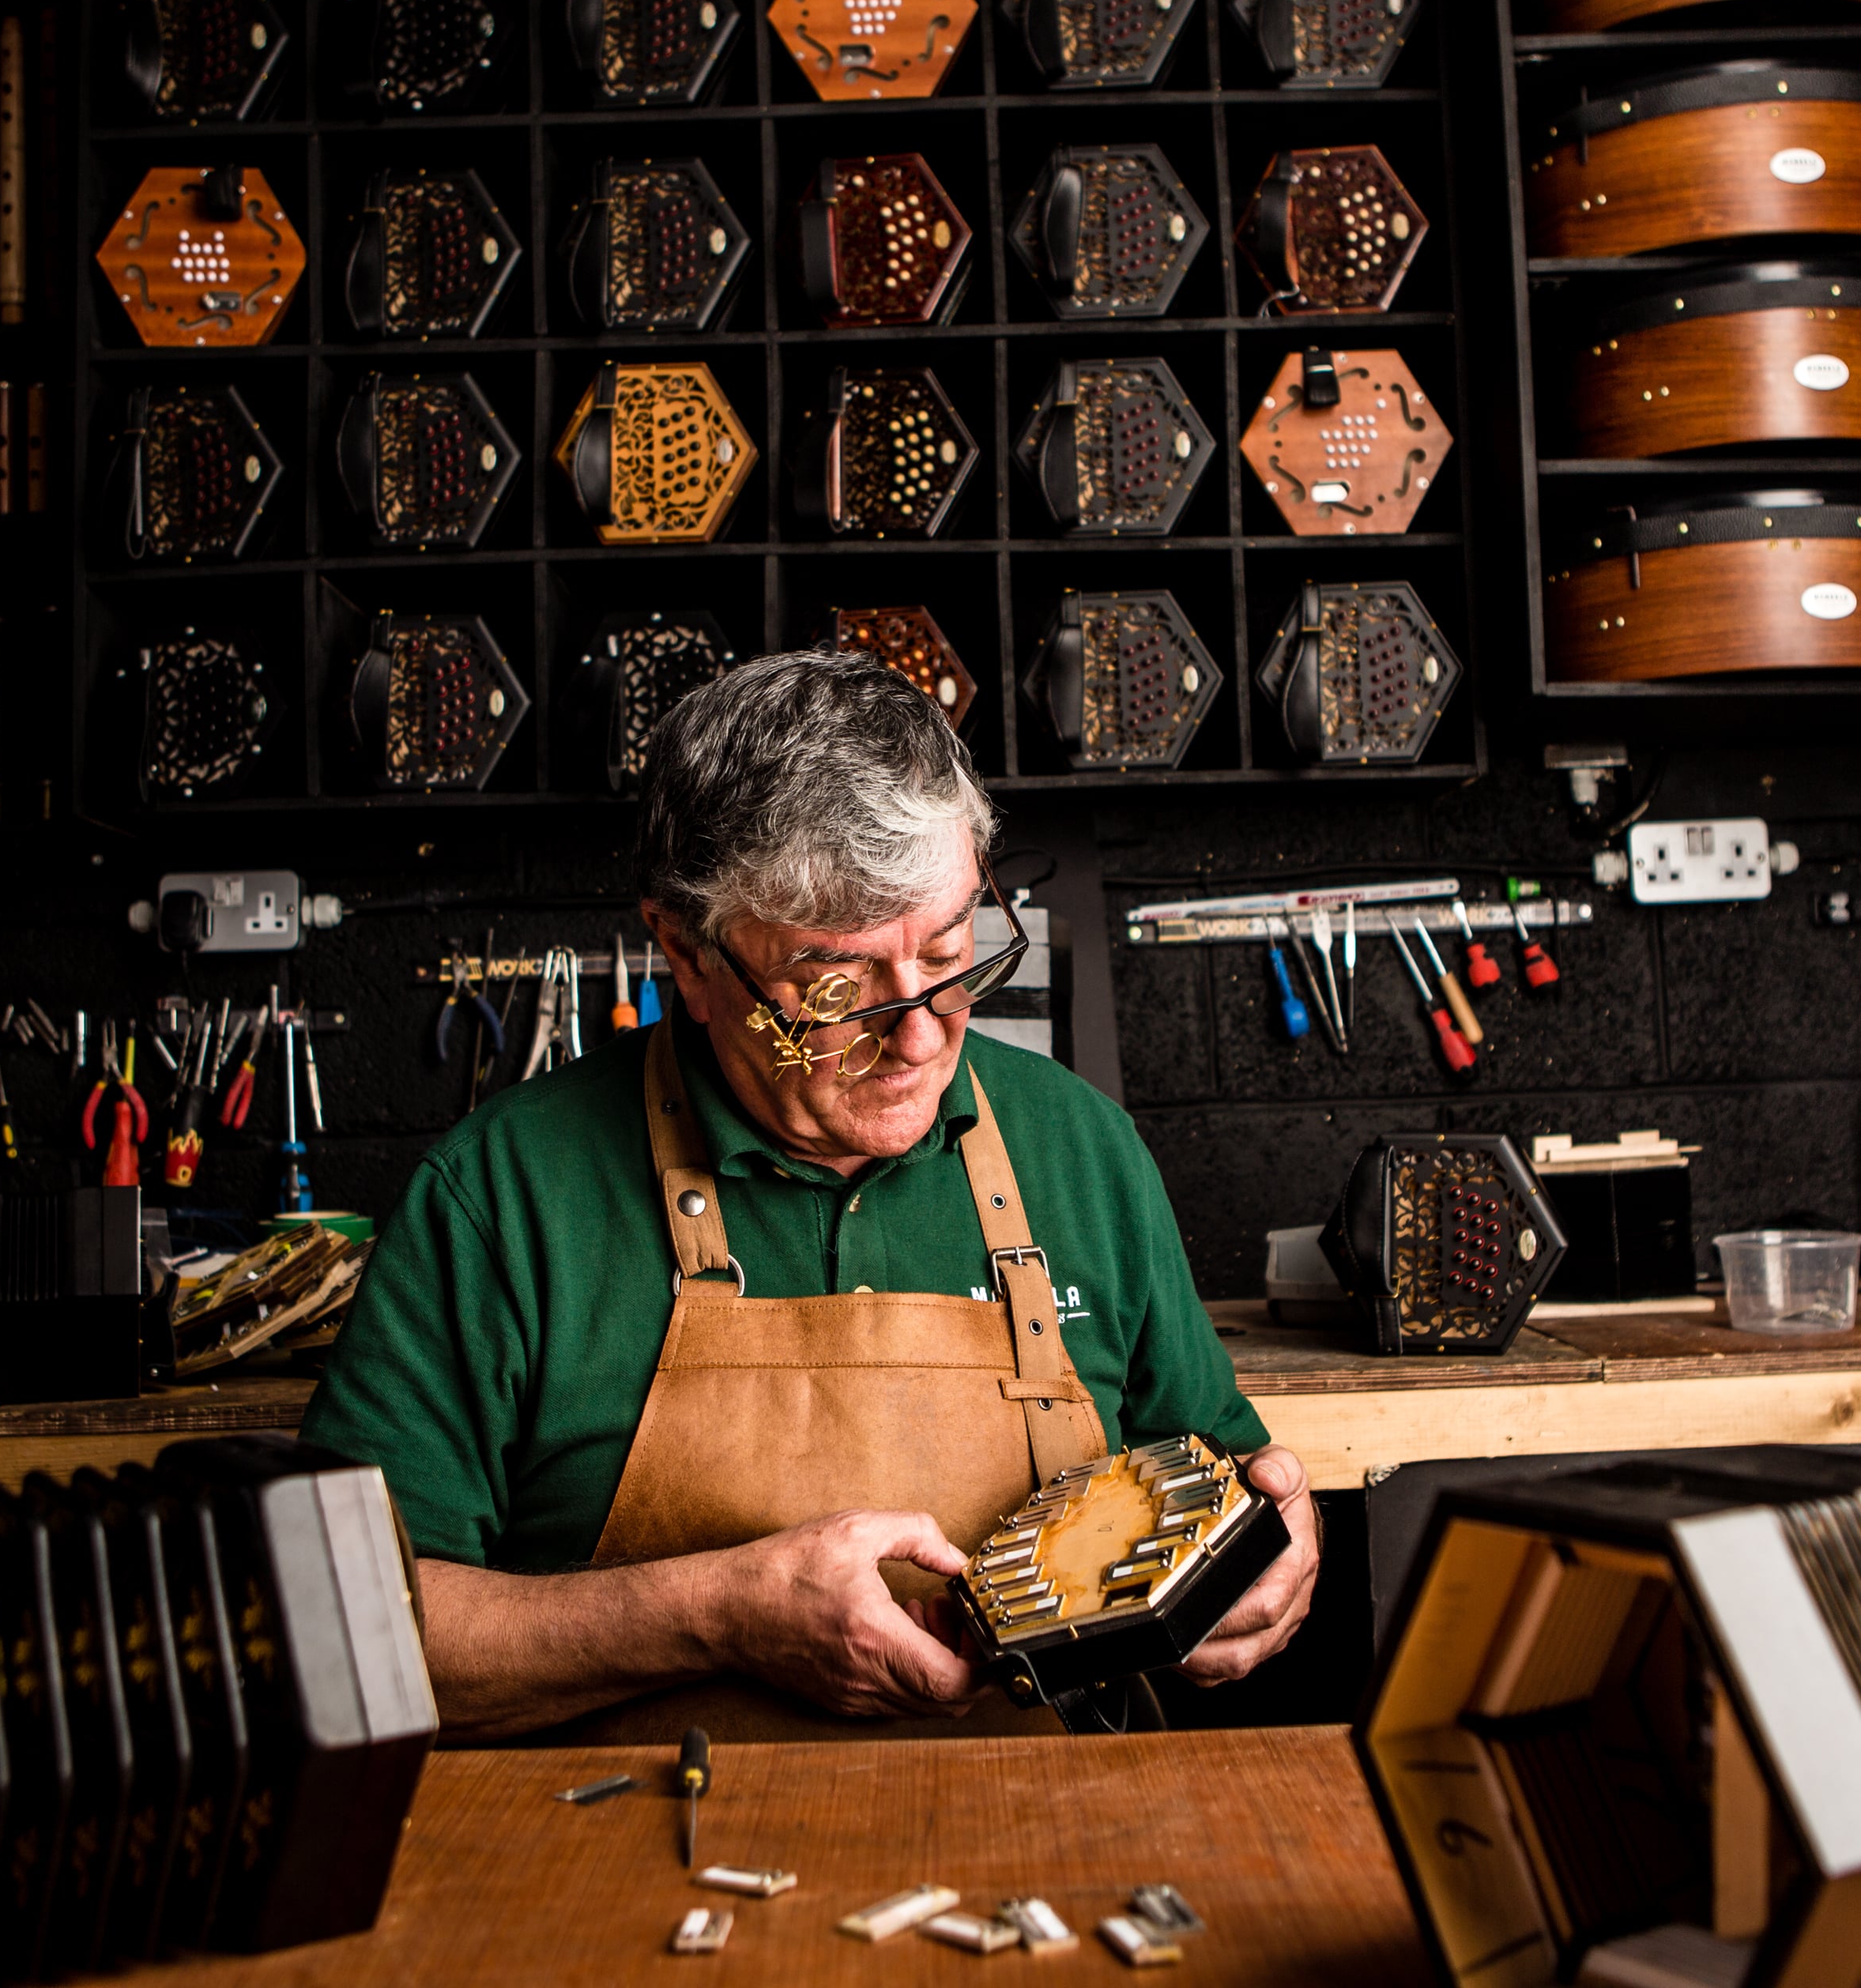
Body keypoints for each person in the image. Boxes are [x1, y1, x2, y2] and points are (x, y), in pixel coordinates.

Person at [303, 649, 1319, 1741]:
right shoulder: (502, 1196)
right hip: (634, 1868)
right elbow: (354, 1645)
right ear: (686, 956)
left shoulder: (1079, 1148)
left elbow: (1224, 1479)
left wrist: (1271, 1565)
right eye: (834, 990)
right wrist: (711, 1618)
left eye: (948, 953)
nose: (922, 1038)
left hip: (1045, 1850)